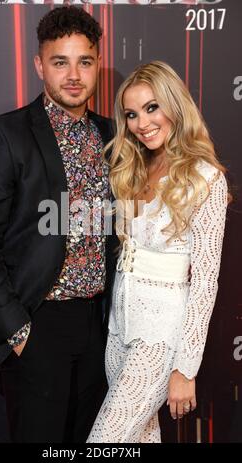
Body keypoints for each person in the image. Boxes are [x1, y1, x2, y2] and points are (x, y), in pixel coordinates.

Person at [0, 6, 117, 443]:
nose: (73, 74)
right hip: (37, 322)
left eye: (85, 61)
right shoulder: (4, 135)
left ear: (98, 64)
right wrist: (18, 332)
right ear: (40, 65)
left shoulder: (114, 137)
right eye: (61, 62)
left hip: (99, 324)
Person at [87, 61, 228, 443]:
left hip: (160, 336)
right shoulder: (133, 167)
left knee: (105, 442)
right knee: (139, 439)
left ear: (174, 106)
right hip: (119, 329)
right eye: (131, 114)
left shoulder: (205, 177)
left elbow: (205, 281)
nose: (141, 123)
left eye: (152, 108)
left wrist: (185, 367)